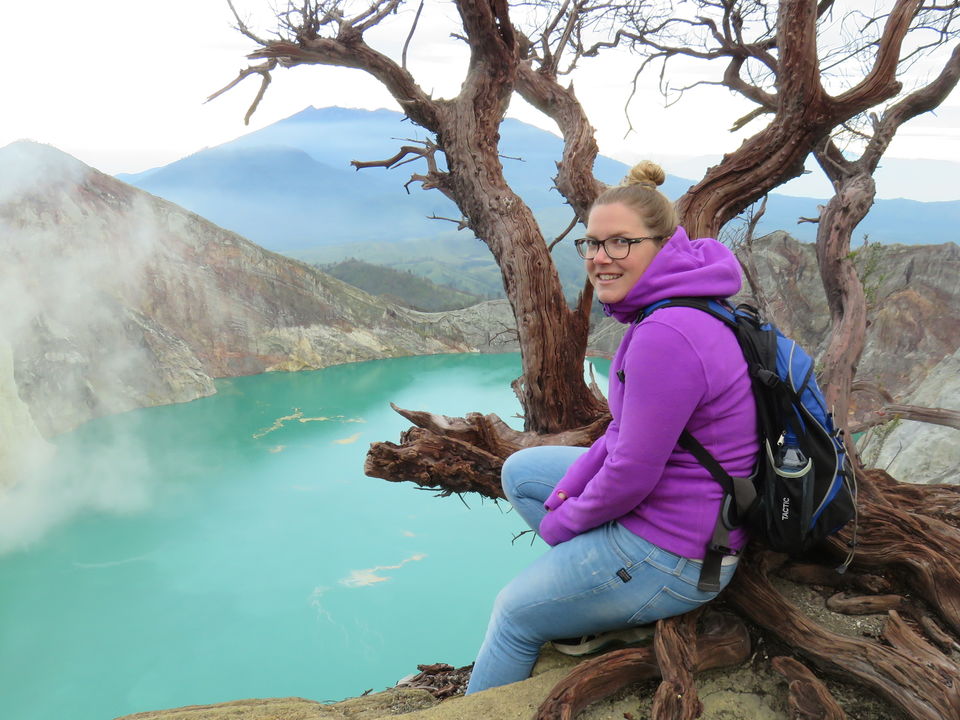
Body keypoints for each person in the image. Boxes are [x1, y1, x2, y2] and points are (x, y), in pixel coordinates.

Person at [464, 160, 759, 694]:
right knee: (525, 471)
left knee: (512, 616)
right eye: (593, 243)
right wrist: (569, 495)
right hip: (697, 518)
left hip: (677, 555)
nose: (601, 258)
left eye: (620, 243)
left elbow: (630, 474)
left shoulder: (666, 333)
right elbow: (621, 435)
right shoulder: (683, 303)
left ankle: (610, 597)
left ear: (663, 243)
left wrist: (564, 522)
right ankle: (597, 602)